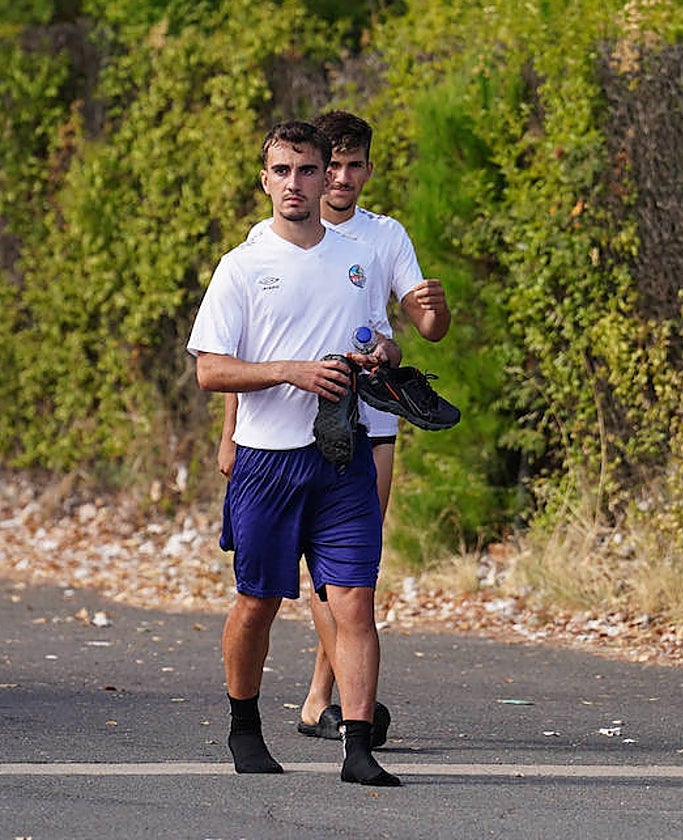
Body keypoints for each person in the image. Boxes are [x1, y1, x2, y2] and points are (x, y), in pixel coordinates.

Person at [220, 110, 453, 745]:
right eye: (332, 165)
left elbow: (413, 329)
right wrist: (230, 431)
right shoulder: (261, 245)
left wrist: (424, 322)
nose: (339, 178)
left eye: (351, 166)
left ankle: (335, 705)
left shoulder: (379, 239)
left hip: (368, 423)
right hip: (280, 439)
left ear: (361, 171)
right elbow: (240, 348)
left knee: (349, 578)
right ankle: (317, 703)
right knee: (274, 591)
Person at [190, 120, 402, 786]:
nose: (296, 183)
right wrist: (290, 371)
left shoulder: (356, 258)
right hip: (268, 462)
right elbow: (210, 370)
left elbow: (383, 339)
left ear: (324, 176)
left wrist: (382, 355)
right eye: (282, 171)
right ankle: (244, 727)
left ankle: (358, 748)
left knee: (355, 602)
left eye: (307, 170)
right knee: (258, 602)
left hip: (343, 458)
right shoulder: (242, 265)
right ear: (265, 180)